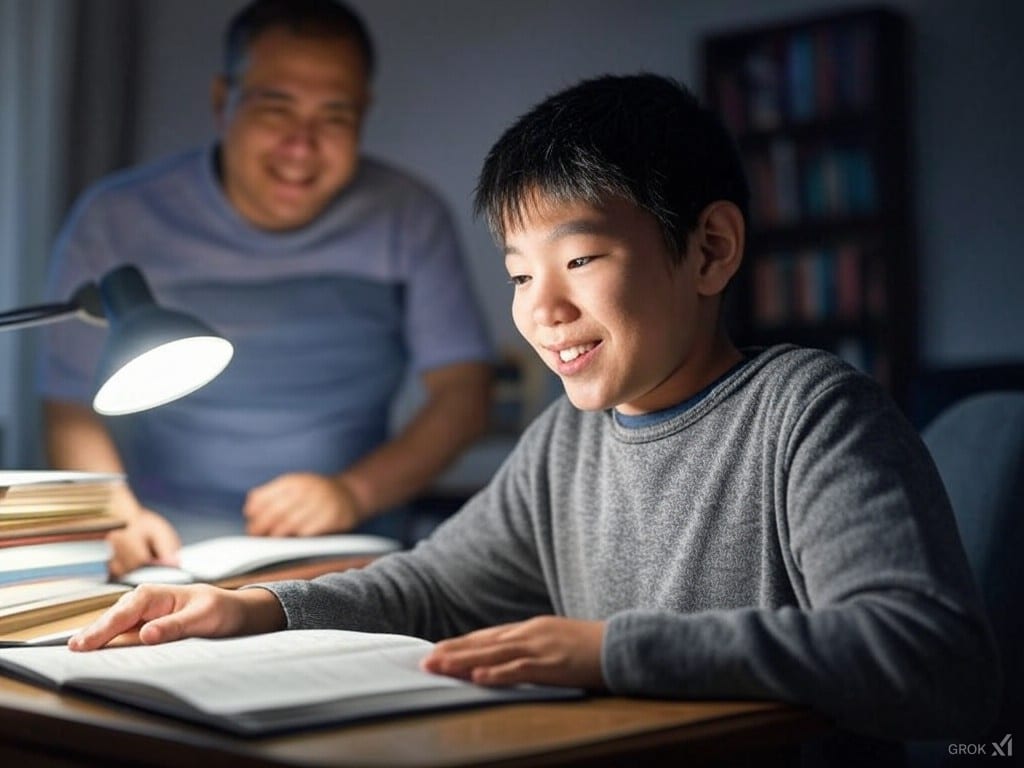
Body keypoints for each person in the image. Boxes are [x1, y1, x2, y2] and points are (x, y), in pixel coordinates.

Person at [70, 73, 999, 759]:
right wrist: (257, 607)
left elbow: (932, 659)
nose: (539, 309)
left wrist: (609, 650)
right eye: (518, 274)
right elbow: (433, 588)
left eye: (581, 260)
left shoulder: (810, 415)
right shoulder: (567, 439)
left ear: (710, 249)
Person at [38, 0, 494, 576]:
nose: (301, 146)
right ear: (221, 101)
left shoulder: (407, 217)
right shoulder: (117, 218)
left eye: (334, 116)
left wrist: (352, 492)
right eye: (275, 109)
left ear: (364, 114)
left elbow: (464, 394)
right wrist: (114, 512)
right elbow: (68, 402)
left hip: (345, 547)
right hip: (162, 545)